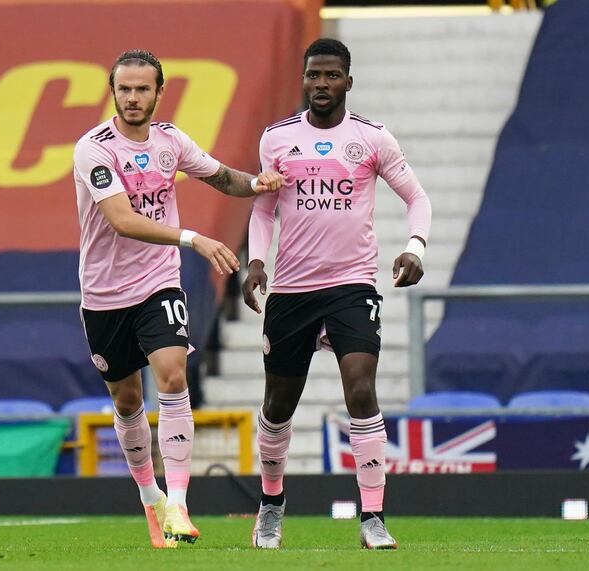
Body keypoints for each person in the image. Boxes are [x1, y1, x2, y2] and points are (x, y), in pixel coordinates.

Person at [74, 49, 282, 549]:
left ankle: (179, 505)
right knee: (126, 400)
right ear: (113, 91)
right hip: (104, 294)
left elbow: (219, 176)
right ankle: (151, 499)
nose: (132, 97)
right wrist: (194, 238)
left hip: (158, 283)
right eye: (124, 88)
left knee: (171, 373)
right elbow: (122, 220)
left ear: (159, 93)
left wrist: (257, 183)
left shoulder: (171, 141)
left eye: (142, 88)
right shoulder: (94, 149)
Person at [242, 38, 432, 550]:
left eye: (330, 76)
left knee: (362, 389)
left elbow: (417, 198)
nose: (320, 85)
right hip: (292, 289)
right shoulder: (277, 139)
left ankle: (373, 517)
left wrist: (414, 247)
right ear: (302, 80)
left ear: (349, 81)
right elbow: (263, 208)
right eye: (312, 76)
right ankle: (272, 505)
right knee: (279, 405)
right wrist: (256, 261)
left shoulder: (371, 138)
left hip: (352, 285)